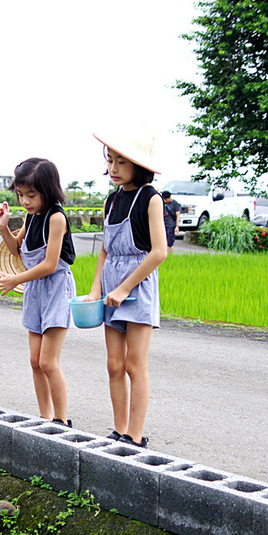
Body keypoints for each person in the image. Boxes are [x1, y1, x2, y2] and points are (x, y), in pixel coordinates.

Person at [83, 127, 169, 448]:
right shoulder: (112, 200)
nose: (114, 168)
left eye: (121, 162)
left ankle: (135, 436)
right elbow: (105, 248)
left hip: (138, 286)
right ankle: (119, 431)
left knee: (135, 364)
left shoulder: (151, 198)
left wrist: (123, 288)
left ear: (138, 165)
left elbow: (159, 252)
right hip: (110, 287)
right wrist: (96, 289)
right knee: (114, 363)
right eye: (110, 160)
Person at [0, 158, 76, 426]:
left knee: (48, 362)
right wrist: (4, 227)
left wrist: (15, 279)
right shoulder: (31, 216)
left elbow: (50, 265)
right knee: (35, 360)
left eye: (31, 194)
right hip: (35, 289)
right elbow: (17, 249)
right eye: (20, 195)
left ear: (48, 190)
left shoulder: (56, 217)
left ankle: (62, 421)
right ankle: (45, 417)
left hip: (55, 289)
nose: (25, 201)